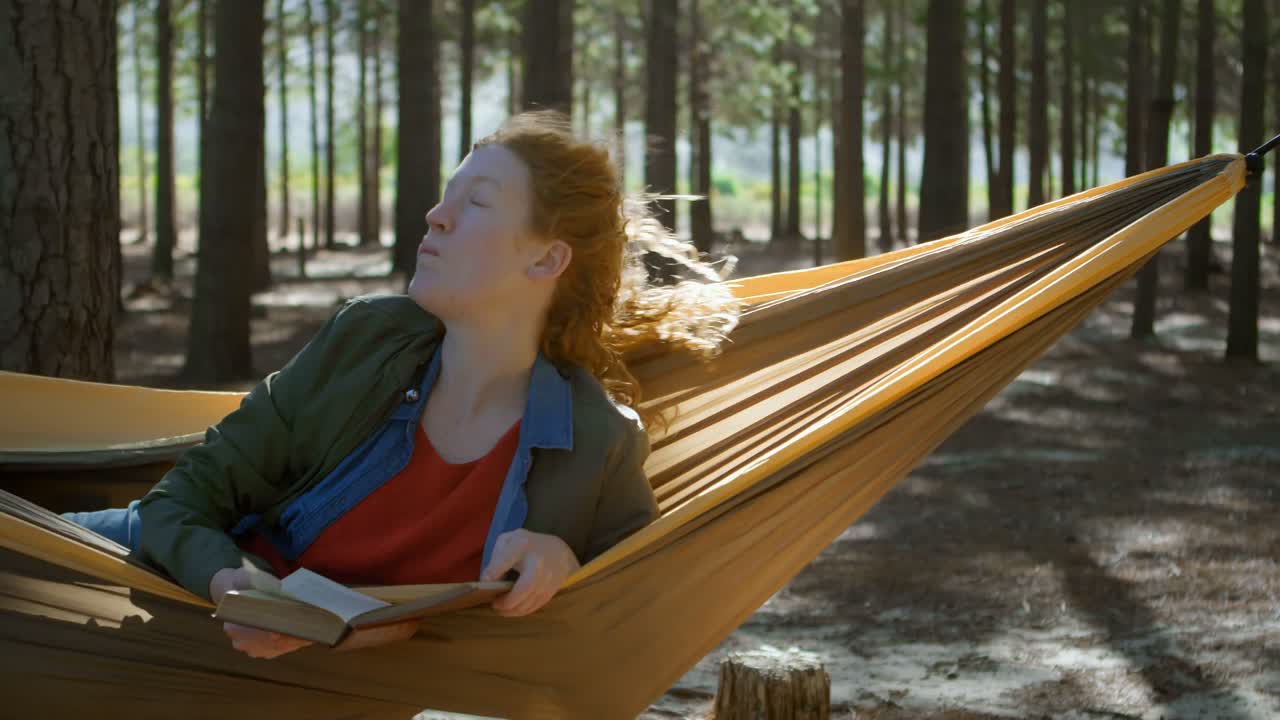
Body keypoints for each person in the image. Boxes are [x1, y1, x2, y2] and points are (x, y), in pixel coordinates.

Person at [64, 111, 740, 659]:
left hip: (313, 684)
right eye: (444, 197)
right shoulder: (366, 340)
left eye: (474, 203)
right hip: (148, 581)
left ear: (546, 257)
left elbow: (640, 627)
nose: (435, 216)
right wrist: (234, 585)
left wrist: (565, 559)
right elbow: (176, 504)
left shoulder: (597, 443)